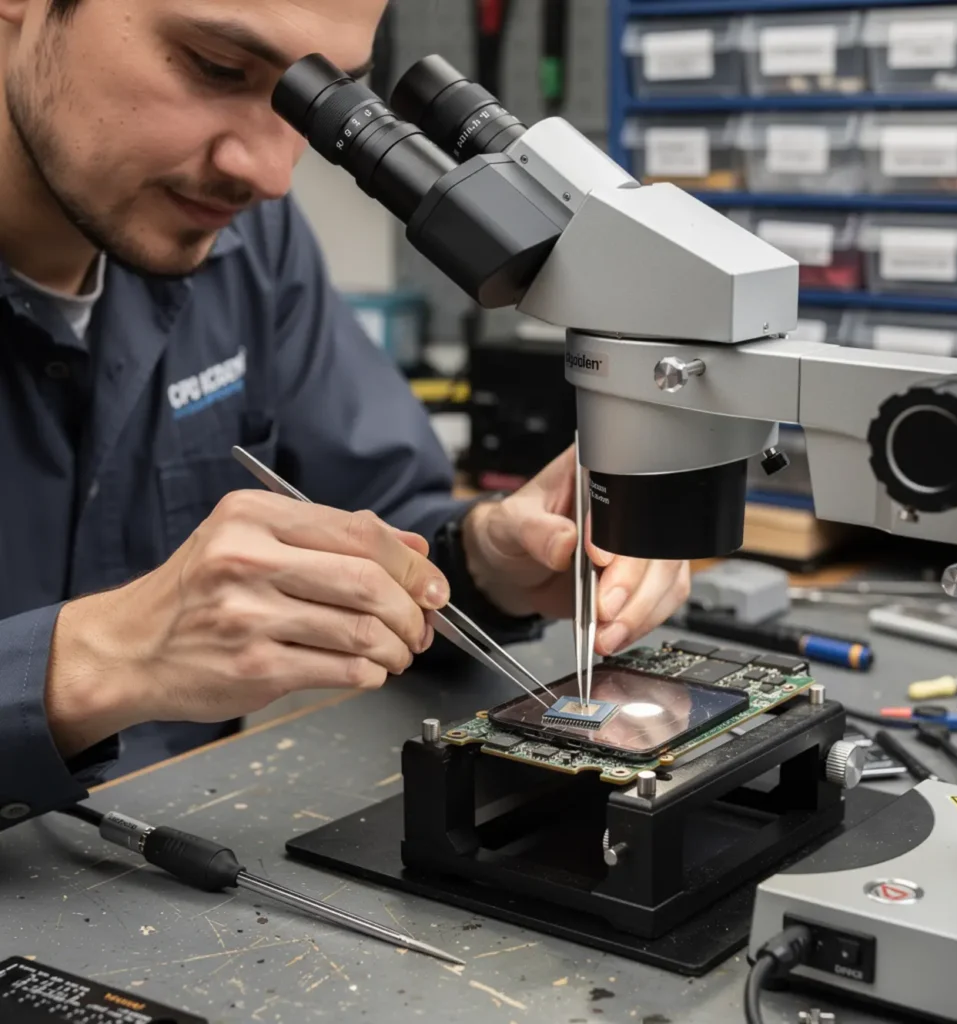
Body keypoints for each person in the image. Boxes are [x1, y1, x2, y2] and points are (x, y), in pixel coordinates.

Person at [0, 0, 691, 830]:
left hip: (186, 861)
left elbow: (385, 513)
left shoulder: (247, 243)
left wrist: (485, 562)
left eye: (315, 100)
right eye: (217, 68)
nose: (269, 173)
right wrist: (87, 663)